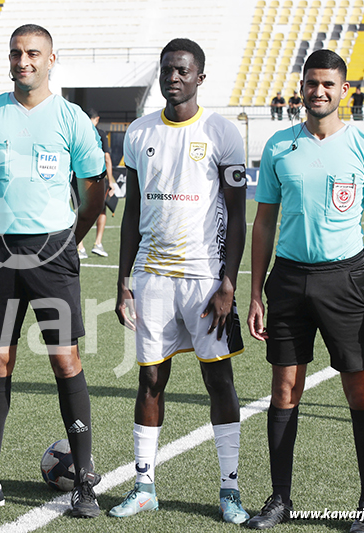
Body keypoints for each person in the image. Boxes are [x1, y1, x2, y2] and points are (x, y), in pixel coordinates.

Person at [0, 24, 107, 518]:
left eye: (33, 53)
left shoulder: (72, 118)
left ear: (51, 59)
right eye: (16, 53)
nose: (24, 61)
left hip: (53, 255)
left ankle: (83, 483)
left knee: (66, 361)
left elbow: (96, 189)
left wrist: (72, 242)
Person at [246, 49, 364, 532]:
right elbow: (263, 223)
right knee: (285, 388)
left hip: (346, 281)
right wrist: (256, 294)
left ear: (344, 90)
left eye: (329, 85)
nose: (319, 92)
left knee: (360, 391)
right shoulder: (278, 146)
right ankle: (279, 500)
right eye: (312, 83)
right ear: (302, 86)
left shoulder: (363, 145)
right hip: (289, 280)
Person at [111, 38, 250, 524]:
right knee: (151, 377)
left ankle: (230, 490)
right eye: (167, 69)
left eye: (183, 70)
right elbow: (131, 213)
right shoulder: (138, 132)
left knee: (219, 378)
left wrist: (229, 281)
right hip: (152, 278)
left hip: (206, 280)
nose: (174, 77)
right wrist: (123, 278)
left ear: (199, 77)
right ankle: (144, 485)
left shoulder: (222, 133)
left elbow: (237, 216)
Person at [77, 109, 117, 259]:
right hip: (98, 177)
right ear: (97, 119)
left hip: (79, 177)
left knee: (79, 208)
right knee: (101, 209)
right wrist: (111, 181)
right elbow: (107, 158)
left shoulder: (78, 132)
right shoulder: (99, 133)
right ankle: (98, 243)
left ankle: (79, 246)